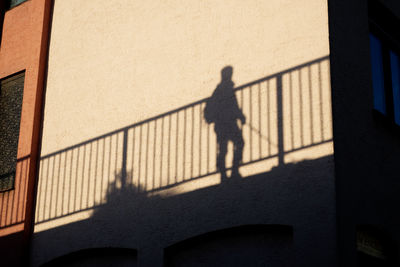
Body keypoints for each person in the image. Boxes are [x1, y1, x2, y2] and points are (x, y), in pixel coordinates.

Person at [204, 66, 245, 180]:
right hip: (228, 123)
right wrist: (240, 116)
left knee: (223, 149)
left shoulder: (219, 89)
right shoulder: (226, 88)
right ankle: (233, 172)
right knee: (239, 143)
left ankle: (224, 174)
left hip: (221, 125)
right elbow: (233, 105)